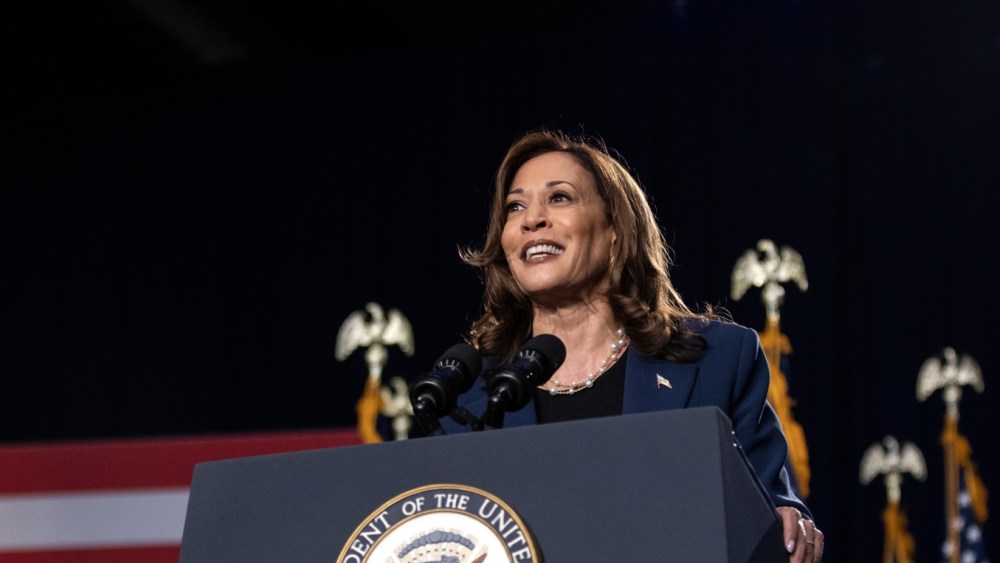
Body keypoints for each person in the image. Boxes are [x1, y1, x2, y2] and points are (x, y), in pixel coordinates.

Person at [439, 127, 824, 562]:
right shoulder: (468, 395)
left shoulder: (717, 361)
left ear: (615, 230)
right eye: (515, 206)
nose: (532, 220)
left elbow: (770, 510)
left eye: (559, 198)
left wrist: (787, 522)